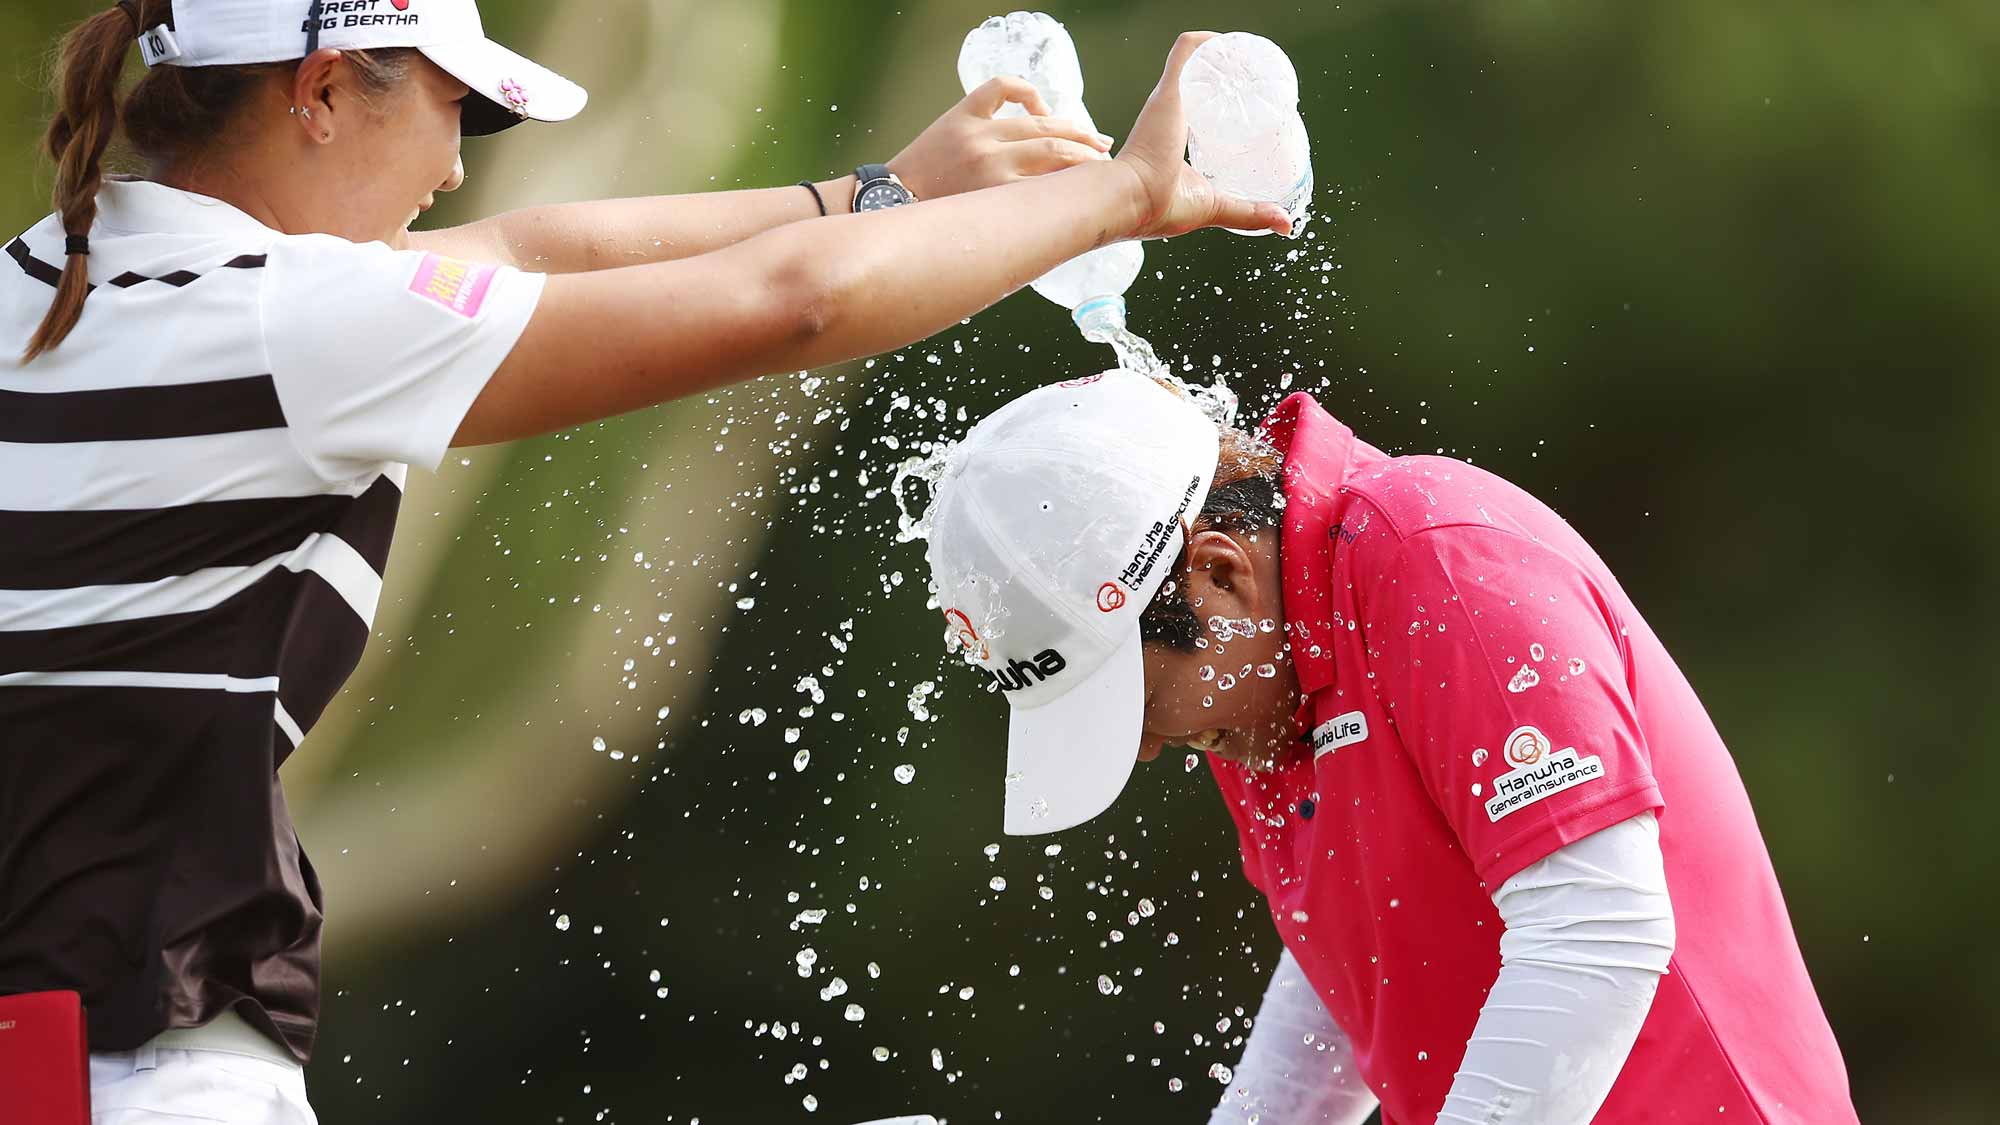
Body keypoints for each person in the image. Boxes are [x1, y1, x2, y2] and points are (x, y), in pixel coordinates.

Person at [0, 0, 1291, 1117]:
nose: (454, 171)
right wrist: (1118, 199)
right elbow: (794, 306)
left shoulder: (61, 283)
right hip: (145, 1065)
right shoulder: (292, 325)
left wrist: (878, 196)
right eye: (459, 111)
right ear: (325, 93)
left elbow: (528, 250)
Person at [920, 370, 1860, 1124]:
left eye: (1134, 700)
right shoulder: (1258, 682)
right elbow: (1363, 963)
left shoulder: (1435, 558)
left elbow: (1597, 930)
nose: (1144, 750)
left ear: (1218, 572)